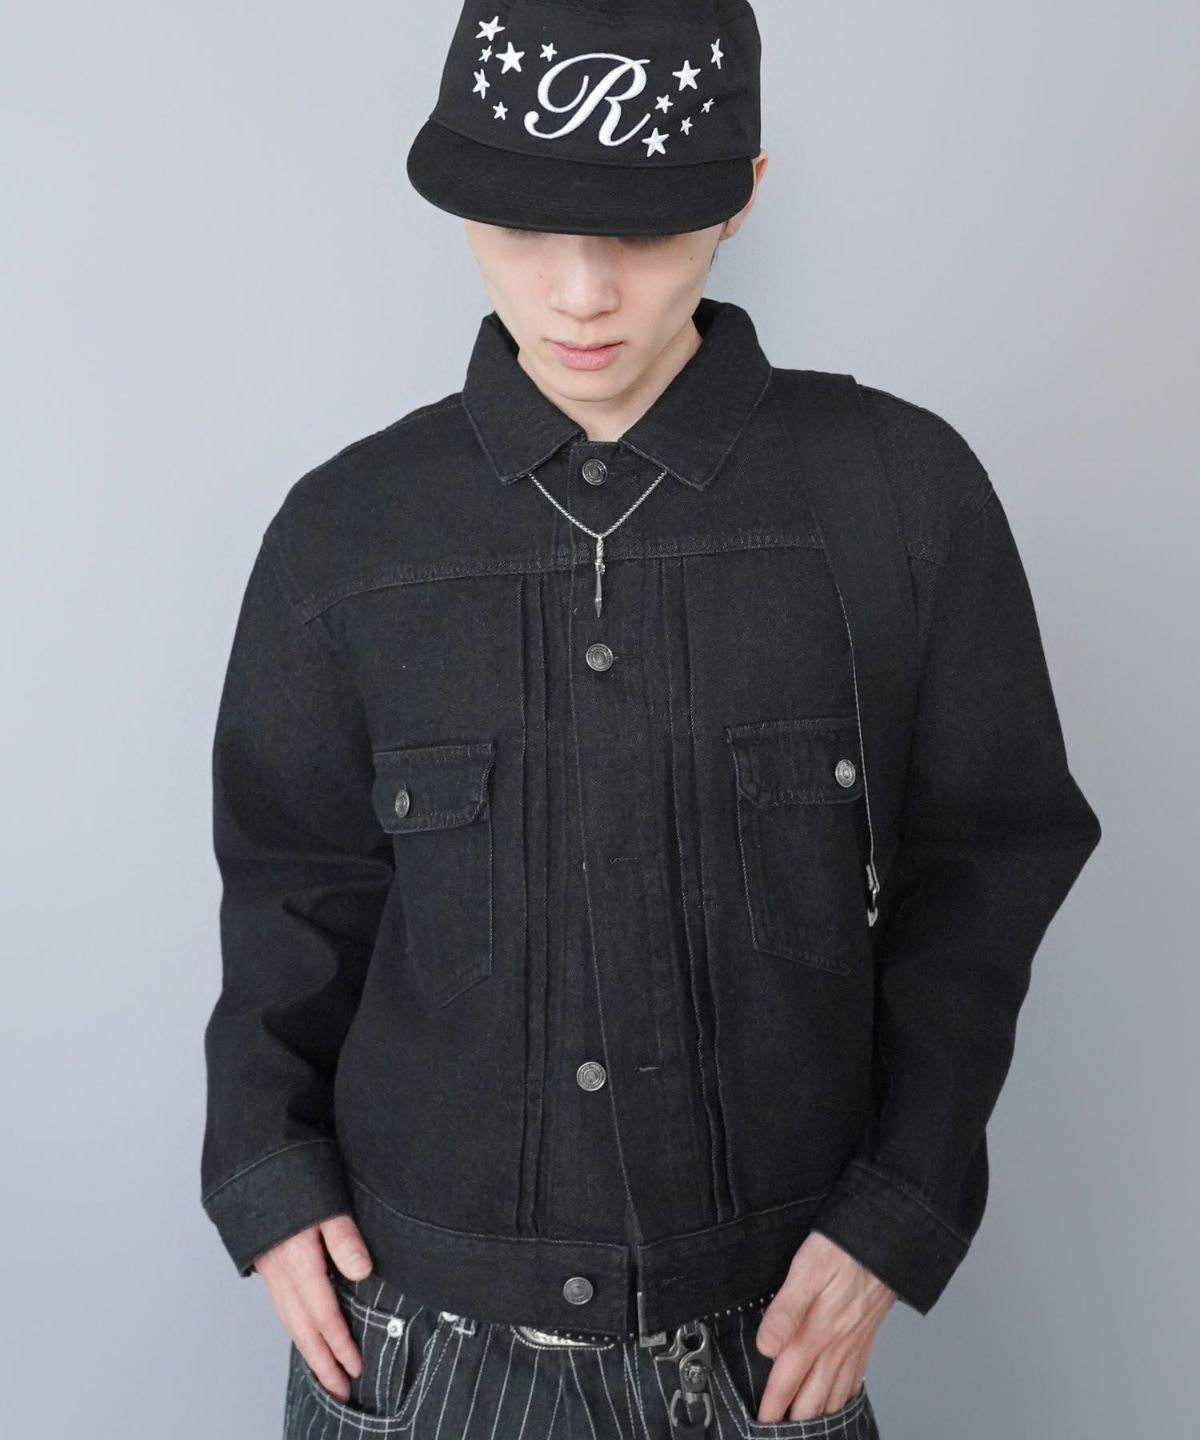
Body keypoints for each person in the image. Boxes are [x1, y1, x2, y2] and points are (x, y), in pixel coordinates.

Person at [199, 3, 1102, 1437]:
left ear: (741, 197)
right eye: (522, 229)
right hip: (414, 1353)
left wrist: (899, 1209)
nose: (580, 294)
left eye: (642, 232)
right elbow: (289, 885)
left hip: (762, 1357)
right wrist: (266, 1173)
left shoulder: (903, 500)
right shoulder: (345, 534)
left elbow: (989, 869)